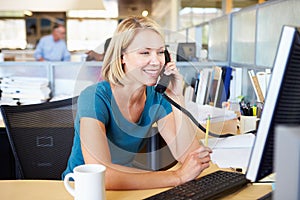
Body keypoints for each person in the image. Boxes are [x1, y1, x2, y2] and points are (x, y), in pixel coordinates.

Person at [62, 16, 212, 190]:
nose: (156, 61)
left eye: (160, 52)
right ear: (121, 57)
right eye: (145, 52)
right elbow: (101, 174)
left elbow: (191, 157)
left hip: (127, 184)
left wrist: (177, 98)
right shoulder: (94, 97)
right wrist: (177, 176)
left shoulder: (157, 96)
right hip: (81, 190)